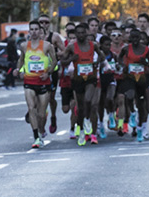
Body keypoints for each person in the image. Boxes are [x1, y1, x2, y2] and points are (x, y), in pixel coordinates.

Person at [60, 22, 104, 146]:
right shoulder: (71, 47)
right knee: (80, 107)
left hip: (90, 78)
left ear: (86, 33)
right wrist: (71, 60)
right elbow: (62, 61)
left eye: (82, 33)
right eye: (77, 33)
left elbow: (101, 56)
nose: (80, 35)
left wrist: (96, 64)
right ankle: (81, 129)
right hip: (77, 80)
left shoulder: (93, 45)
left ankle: (88, 121)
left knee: (88, 100)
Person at [16, 20, 55, 149]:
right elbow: (21, 61)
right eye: (31, 29)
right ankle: (36, 137)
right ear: (29, 32)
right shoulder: (23, 46)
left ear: (40, 31)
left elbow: (54, 62)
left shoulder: (47, 46)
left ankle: (41, 130)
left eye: (36, 29)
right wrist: (19, 70)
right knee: (31, 107)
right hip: (29, 81)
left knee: (42, 114)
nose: (33, 32)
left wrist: (48, 73)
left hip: (43, 82)